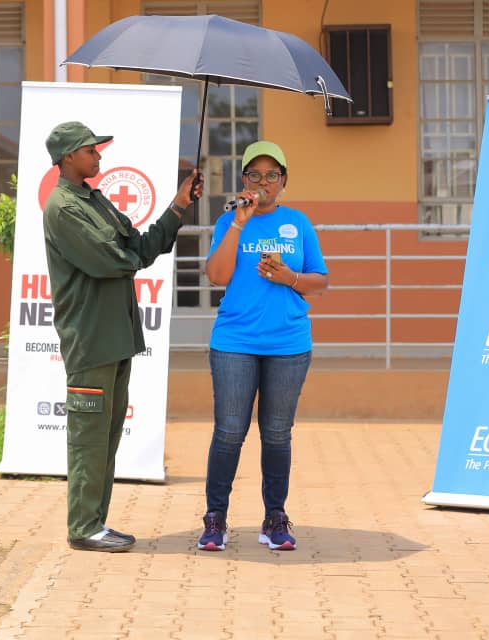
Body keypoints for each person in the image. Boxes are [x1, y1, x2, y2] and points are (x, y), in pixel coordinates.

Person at [43, 121, 203, 552]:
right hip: (91, 338)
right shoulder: (62, 207)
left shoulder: (94, 200)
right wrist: (132, 254)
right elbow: (111, 259)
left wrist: (177, 206)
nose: (99, 156)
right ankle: (84, 527)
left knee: (107, 434)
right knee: (89, 437)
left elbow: (141, 247)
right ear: (69, 157)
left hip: (115, 335)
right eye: (91, 150)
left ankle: (95, 522)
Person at [196, 140, 328, 552]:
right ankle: (215, 519)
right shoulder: (231, 222)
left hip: (288, 344)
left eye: (273, 175)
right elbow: (216, 276)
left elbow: (320, 281)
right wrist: (238, 222)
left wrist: (288, 276)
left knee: (276, 435)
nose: (264, 182)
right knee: (229, 432)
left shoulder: (298, 223)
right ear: (244, 181)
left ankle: (275, 518)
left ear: (284, 182)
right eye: (256, 175)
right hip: (235, 341)